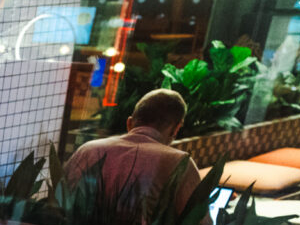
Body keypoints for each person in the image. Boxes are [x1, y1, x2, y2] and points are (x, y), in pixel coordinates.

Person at [63, 88, 200, 212]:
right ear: (175, 129)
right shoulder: (181, 164)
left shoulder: (88, 150)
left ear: (129, 123)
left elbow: (60, 203)